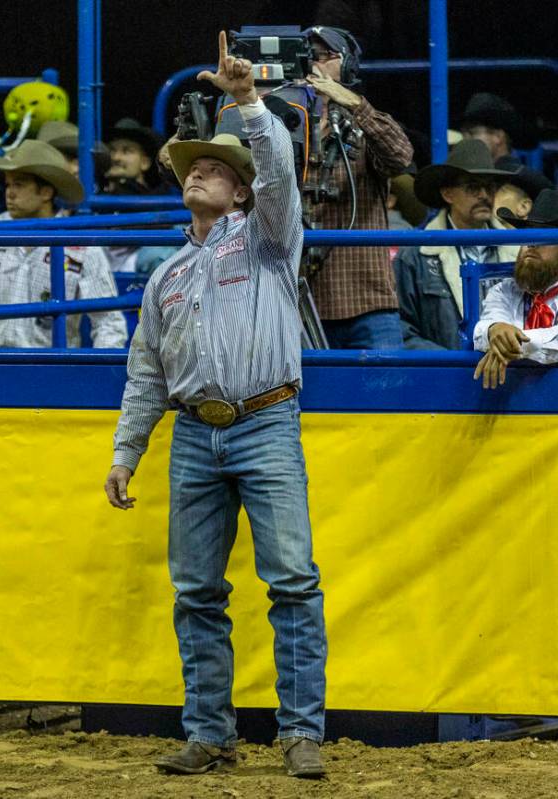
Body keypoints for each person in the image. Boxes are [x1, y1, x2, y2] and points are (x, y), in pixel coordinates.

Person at [105, 32, 327, 779]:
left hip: (263, 418)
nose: (198, 174)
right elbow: (145, 370)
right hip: (199, 430)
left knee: (289, 577)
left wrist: (246, 103)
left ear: (239, 192)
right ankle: (211, 731)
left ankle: (299, 731)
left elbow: (278, 175)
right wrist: (125, 450)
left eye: (212, 170)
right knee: (199, 588)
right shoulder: (166, 273)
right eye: (192, 168)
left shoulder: (268, 236)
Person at [0, 140, 127, 349]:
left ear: (46, 192)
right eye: (8, 184)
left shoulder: (80, 246)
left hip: (50, 367)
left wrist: (95, 373)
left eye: (19, 184)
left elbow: (107, 319)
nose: (9, 193)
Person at [302, 25, 414, 349]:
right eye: (308, 56)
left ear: (348, 65)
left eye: (325, 56)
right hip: (299, 303)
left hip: (367, 303)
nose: (314, 64)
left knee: (386, 401)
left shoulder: (363, 127)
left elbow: (401, 155)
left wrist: (351, 101)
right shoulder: (280, 128)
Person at [393, 139, 520, 350]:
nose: (484, 195)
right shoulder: (415, 254)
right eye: (473, 187)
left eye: (489, 187)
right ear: (447, 194)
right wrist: (449, 365)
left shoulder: (519, 251)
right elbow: (400, 328)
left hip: (509, 371)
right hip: (443, 378)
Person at [471, 192, 558, 388]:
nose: (531, 244)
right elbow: (485, 325)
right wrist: (494, 330)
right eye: (527, 234)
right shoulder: (503, 290)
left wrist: (516, 343)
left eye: (543, 236)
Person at [458, 92, 553, 196]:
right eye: (464, 134)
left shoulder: (526, 182)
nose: (464, 140)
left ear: (497, 137)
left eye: (472, 133)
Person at [105, 117, 162, 192]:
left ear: (145, 162)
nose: (116, 158)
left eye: (126, 151)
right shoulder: (94, 194)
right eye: (112, 150)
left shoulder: (158, 200)